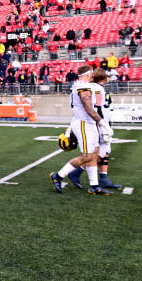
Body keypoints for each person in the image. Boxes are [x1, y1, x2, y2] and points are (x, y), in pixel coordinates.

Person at [50, 65, 114, 195]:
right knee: (87, 155)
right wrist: (102, 123)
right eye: (92, 73)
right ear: (88, 74)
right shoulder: (82, 85)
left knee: (94, 154)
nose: (93, 75)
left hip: (89, 123)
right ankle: (58, 175)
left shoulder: (84, 85)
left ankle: (94, 186)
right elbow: (87, 107)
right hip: (84, 123)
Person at [67, 69, 122, 190]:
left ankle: (100, 178)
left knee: (102, 151)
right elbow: (94, 107)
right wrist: (102, 123)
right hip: (97, 122)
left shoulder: (91, 86)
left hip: (98, 121)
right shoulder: (93, 88)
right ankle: (71, 174)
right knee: (97, 153)